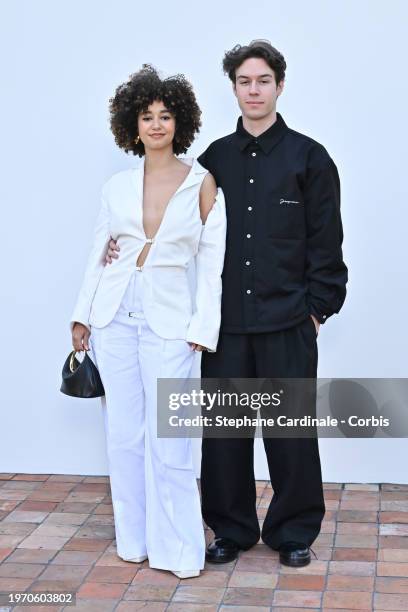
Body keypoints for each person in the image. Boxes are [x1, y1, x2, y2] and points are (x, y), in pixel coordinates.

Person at [106, 41, 348, 568]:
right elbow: (176, 231)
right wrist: (119, 244)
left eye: (263, 80)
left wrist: (316, 309)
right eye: (244, 81)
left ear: (279, 86)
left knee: (290, 434)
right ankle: (232, 529)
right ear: (234, 88)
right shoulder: (213, 161)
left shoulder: (309, 157)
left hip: (288, 320)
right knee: (224, 436)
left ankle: (292, 532)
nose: (254, 90)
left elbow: (326, 243)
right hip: (227, 326)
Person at [70, 64, 227, 579]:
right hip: (114, 317)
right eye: (146, 116)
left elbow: (211, 266)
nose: (156, 124)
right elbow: (100, 250)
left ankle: (180, 550)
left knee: (172, 440)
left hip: (172, 325)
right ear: (131, 125)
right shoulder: (115, 186)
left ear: (179, 121)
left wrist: (203, 330)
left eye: (165, 115)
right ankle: (133, 540)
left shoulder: (203, 183)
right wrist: (81, 315)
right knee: (124, 436)